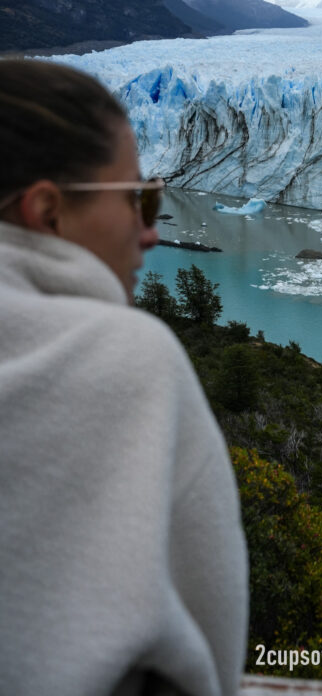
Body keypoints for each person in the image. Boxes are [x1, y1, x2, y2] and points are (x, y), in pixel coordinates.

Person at [0, 59, 248, 696]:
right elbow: (216, 649)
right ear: (48, 212)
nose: (151, 233)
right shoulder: (131, 360)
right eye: (139, 199)